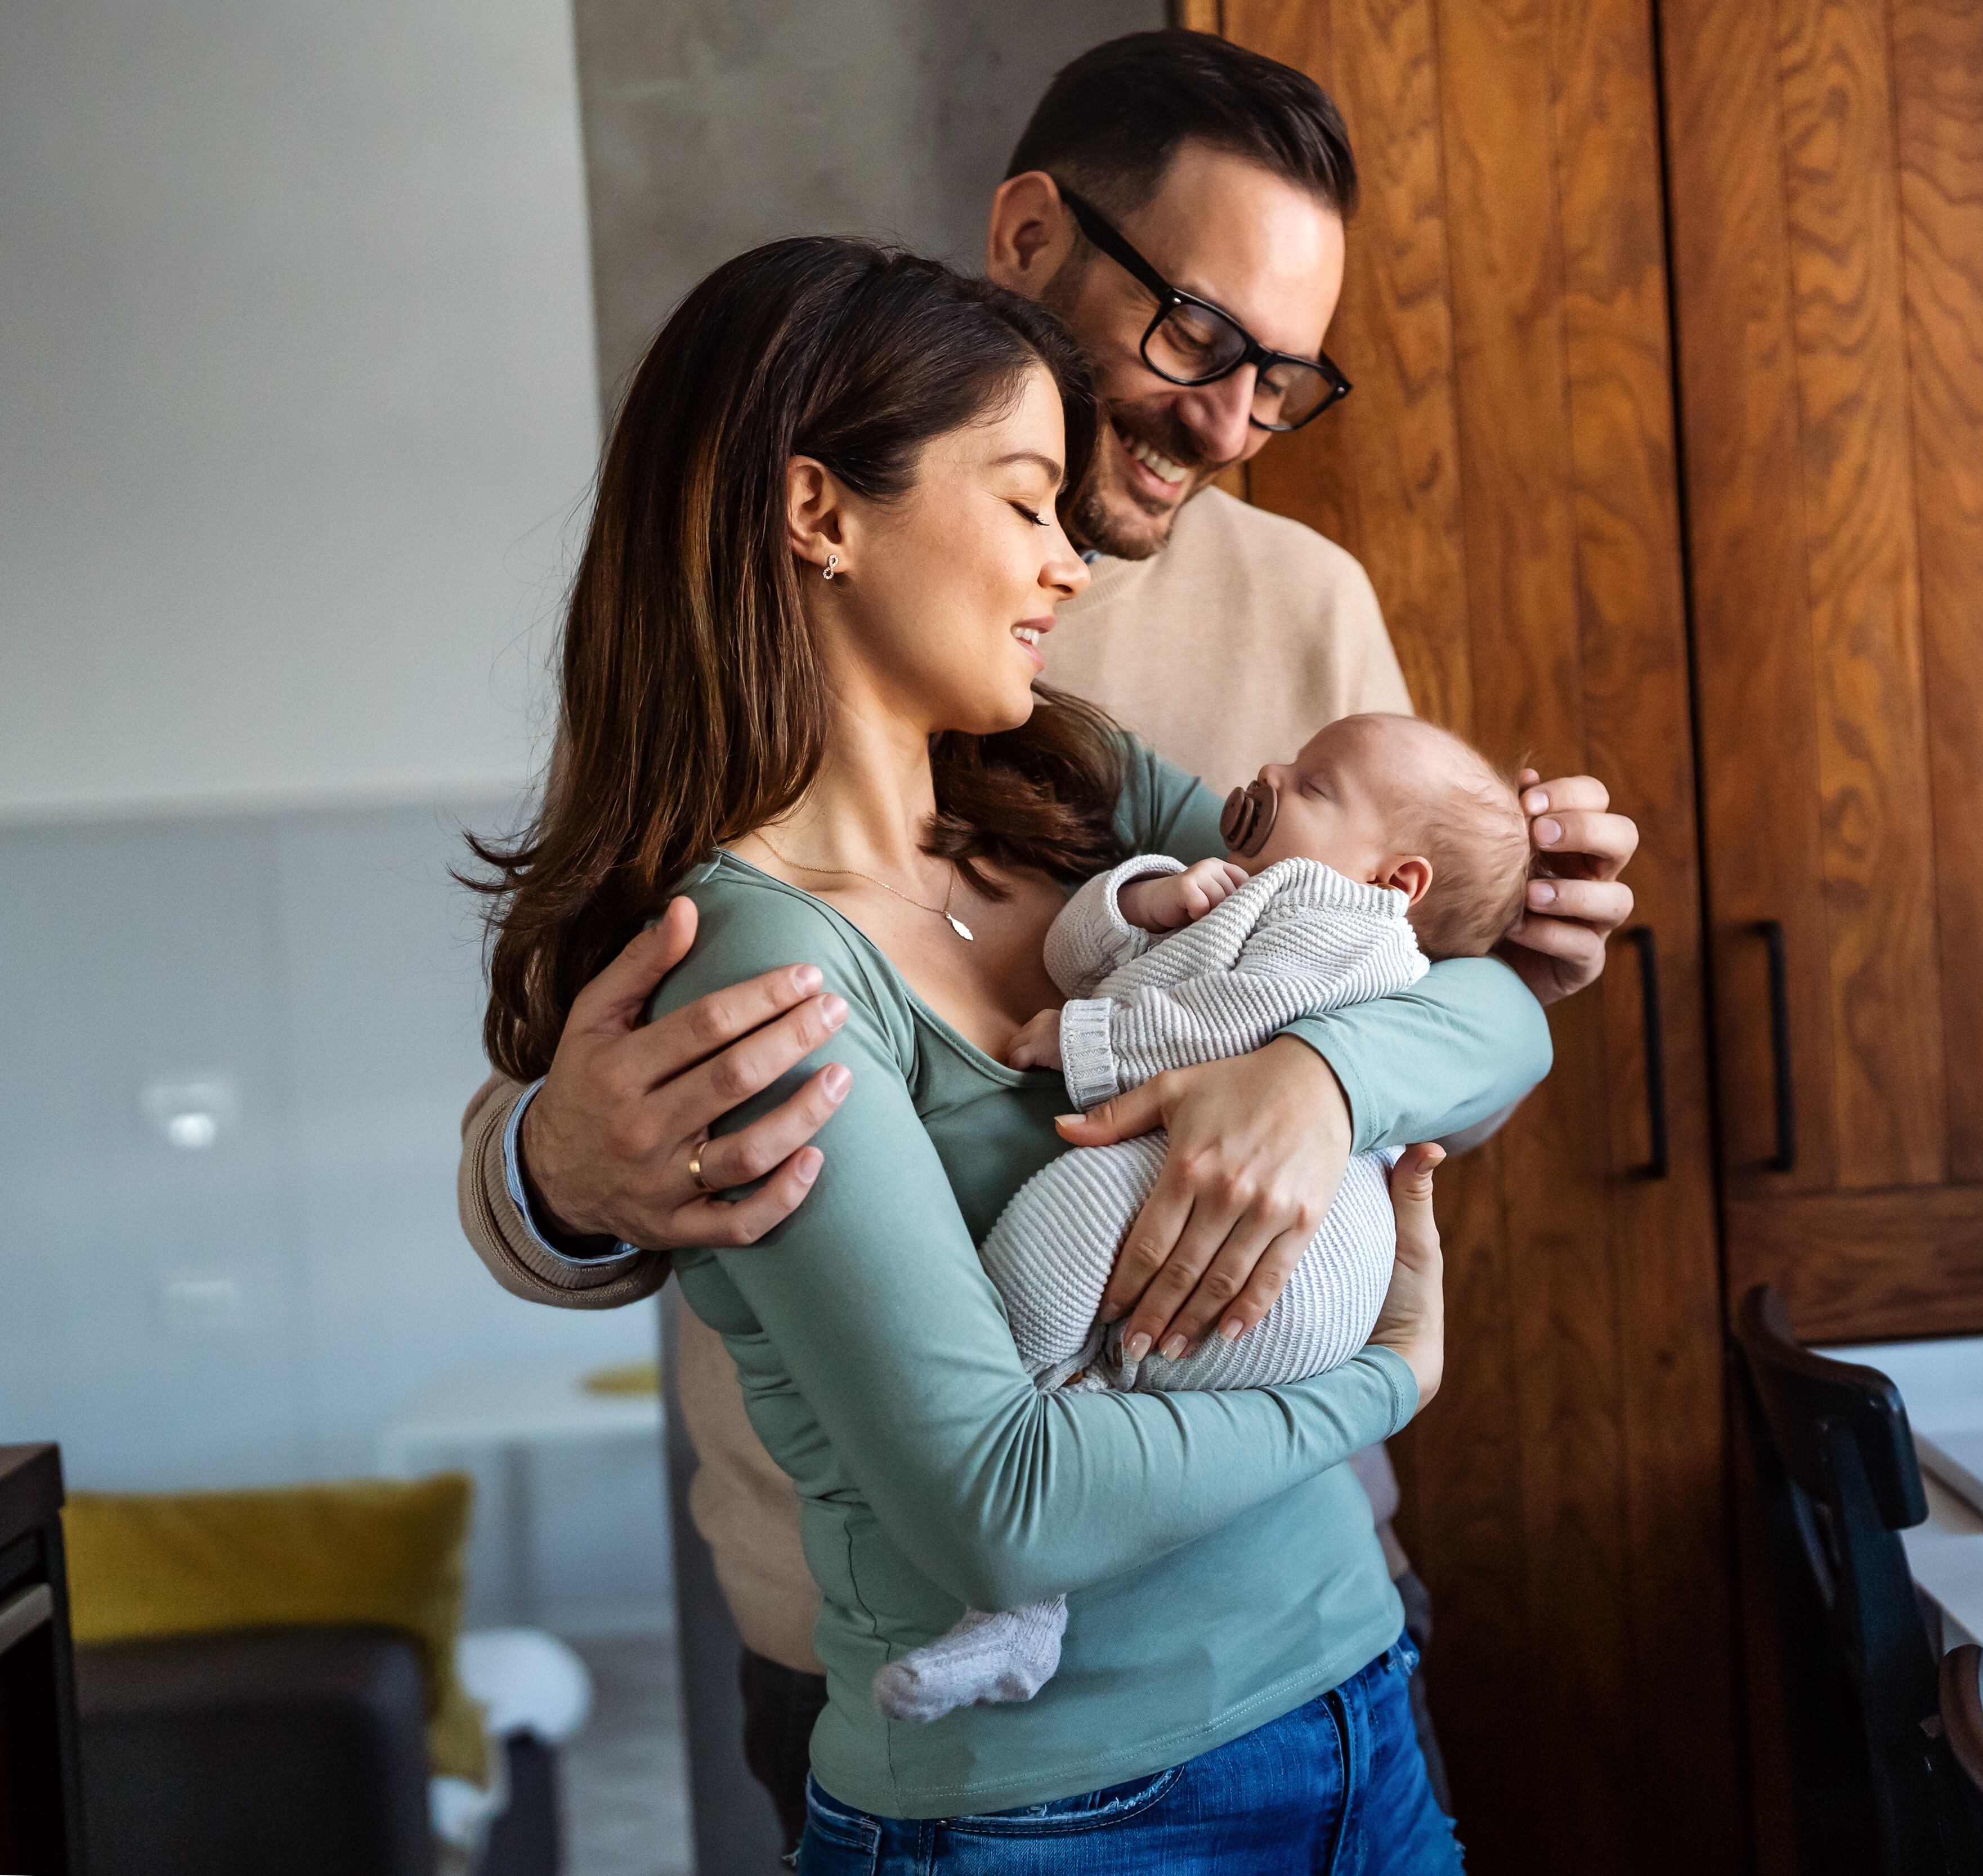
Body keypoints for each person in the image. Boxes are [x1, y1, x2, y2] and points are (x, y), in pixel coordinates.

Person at [450, 28, 1636, 1850]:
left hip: (1337, 1664)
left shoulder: (1072, 761)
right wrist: (555, 1164)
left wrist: (1318, 1072)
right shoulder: (754, 924)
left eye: (1285, 380)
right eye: (1199, 344)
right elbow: (982, 1488)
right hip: (1016, 1745)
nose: (1232, 423)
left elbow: (1456, 990)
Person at [876, 713, 1533, 1725]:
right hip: (1239, 1220)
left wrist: (1087, 1040)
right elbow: (1074, 950)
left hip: (1304, 1257)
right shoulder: (1244, 883)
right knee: (1084, 1301)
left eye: (1313, 785)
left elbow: (1237, 1019)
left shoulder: (1349, 923)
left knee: (1056, 1225)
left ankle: (1022, 1571)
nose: (1270, 772)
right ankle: (1028, 1587)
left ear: (1398, 881)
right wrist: (1148, 897)